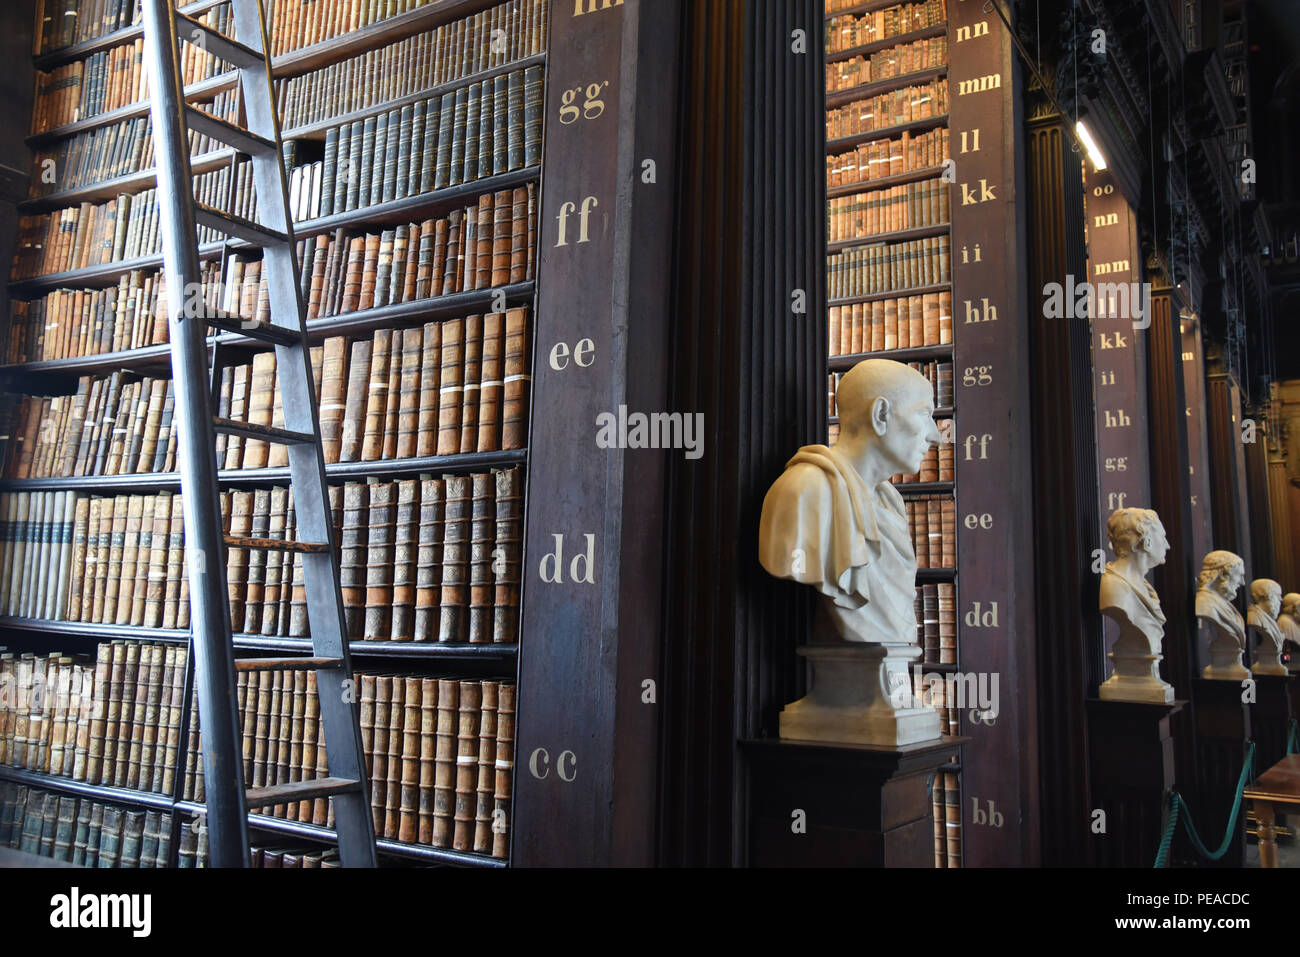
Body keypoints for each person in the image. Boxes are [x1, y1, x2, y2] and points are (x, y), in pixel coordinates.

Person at [758, 359, 940, 644]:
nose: (936, 436)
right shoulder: (804, 491)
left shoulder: (890, 501)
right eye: (924, 414)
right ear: (881, 414)